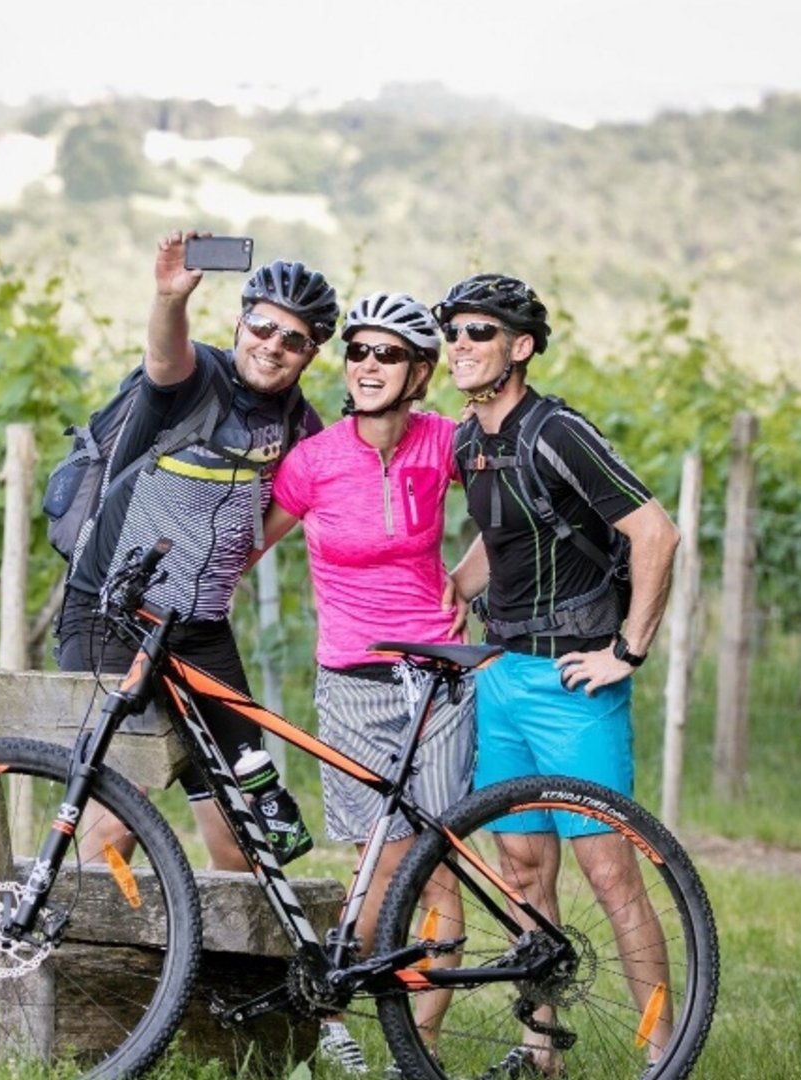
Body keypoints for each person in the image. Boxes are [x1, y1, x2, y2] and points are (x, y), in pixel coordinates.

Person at [437, 273, 681, 1075]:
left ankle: (659, 1053)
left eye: (480, 332)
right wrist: (457, 587)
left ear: (522, 347)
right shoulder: (469, 439)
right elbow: (502, 534)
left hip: (576, 684)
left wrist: (628, 651)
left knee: (610, 874)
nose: (461, 346)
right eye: (454, 332)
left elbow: (656, 533)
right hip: (501, 676)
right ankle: (539, 1048)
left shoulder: (557, 431)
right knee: (521, 868)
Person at [56, 230, 338, 872]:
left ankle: (220, 971)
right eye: (264, 327)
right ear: (241, 323)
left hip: (201, 629)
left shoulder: (299, 423)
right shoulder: (196, 377)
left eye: (293, 339)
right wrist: (169, 299)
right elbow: (164, 357)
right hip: (111, 614)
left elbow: (283, 511)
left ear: (311, 353)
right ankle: (99, 964)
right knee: (115, 815)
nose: (273, 346)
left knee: (246, 829)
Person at [261, 291, 474, 1073]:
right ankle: (338, 1016)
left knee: (437, 862)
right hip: (350, 680)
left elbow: (514, 510)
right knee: (376, 865)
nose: (368, 365)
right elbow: (246, 547)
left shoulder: (447, 443)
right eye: (358, 351)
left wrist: (469, 576)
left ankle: (418, 1049)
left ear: (420, 371)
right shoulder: (313, 462)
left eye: (388, 354)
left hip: (436, 678)